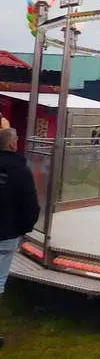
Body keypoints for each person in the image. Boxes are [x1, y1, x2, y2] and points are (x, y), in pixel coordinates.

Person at [0, 119, 42, 310]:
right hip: (7, 233)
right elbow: (30, 205)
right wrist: (23, 228)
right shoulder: (21, 171)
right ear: (11, 144)